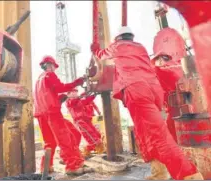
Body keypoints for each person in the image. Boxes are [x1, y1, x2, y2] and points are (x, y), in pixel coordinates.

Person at [90, 26, 203, 180]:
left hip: (136, 91)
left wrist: (95, 49)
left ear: (117, 38)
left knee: (159, 136)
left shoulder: (117, 47)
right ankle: (159, 172)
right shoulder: (140, 47)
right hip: (154, 91)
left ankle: (189, 174)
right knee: (147, 134)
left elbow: (101, 54)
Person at [33, 55, 86, 175]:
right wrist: (76, 82)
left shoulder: (38, 80)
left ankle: (46, 166)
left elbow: (47, 95)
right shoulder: (49, 74)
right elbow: (60, 87)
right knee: (65, 138)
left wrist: (60, 98)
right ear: (49, 65)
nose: (54, 69)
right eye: (53, 66)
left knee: (50, 142)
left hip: (41, 114)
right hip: (52, 112)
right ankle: (72, 166)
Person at [151, 51, 184, 143]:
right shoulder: (178, 65)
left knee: (172, 126)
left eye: (156, 61)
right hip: (187, 103)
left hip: (174, 104)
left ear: (160, 60)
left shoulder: (160, 69)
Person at [66, 89, 104, 158]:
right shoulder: (69, 101)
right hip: (79, 121)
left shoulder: (78, 100)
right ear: (68, 94)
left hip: (87, 119)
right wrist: (81, 96)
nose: (75, 93)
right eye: (72, 92)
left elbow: (86, 101)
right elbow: (74, 102)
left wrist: (94, 95)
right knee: (90, 134)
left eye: (76, 92)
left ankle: (87, 149)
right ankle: (97, 145)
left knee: (97, 134)